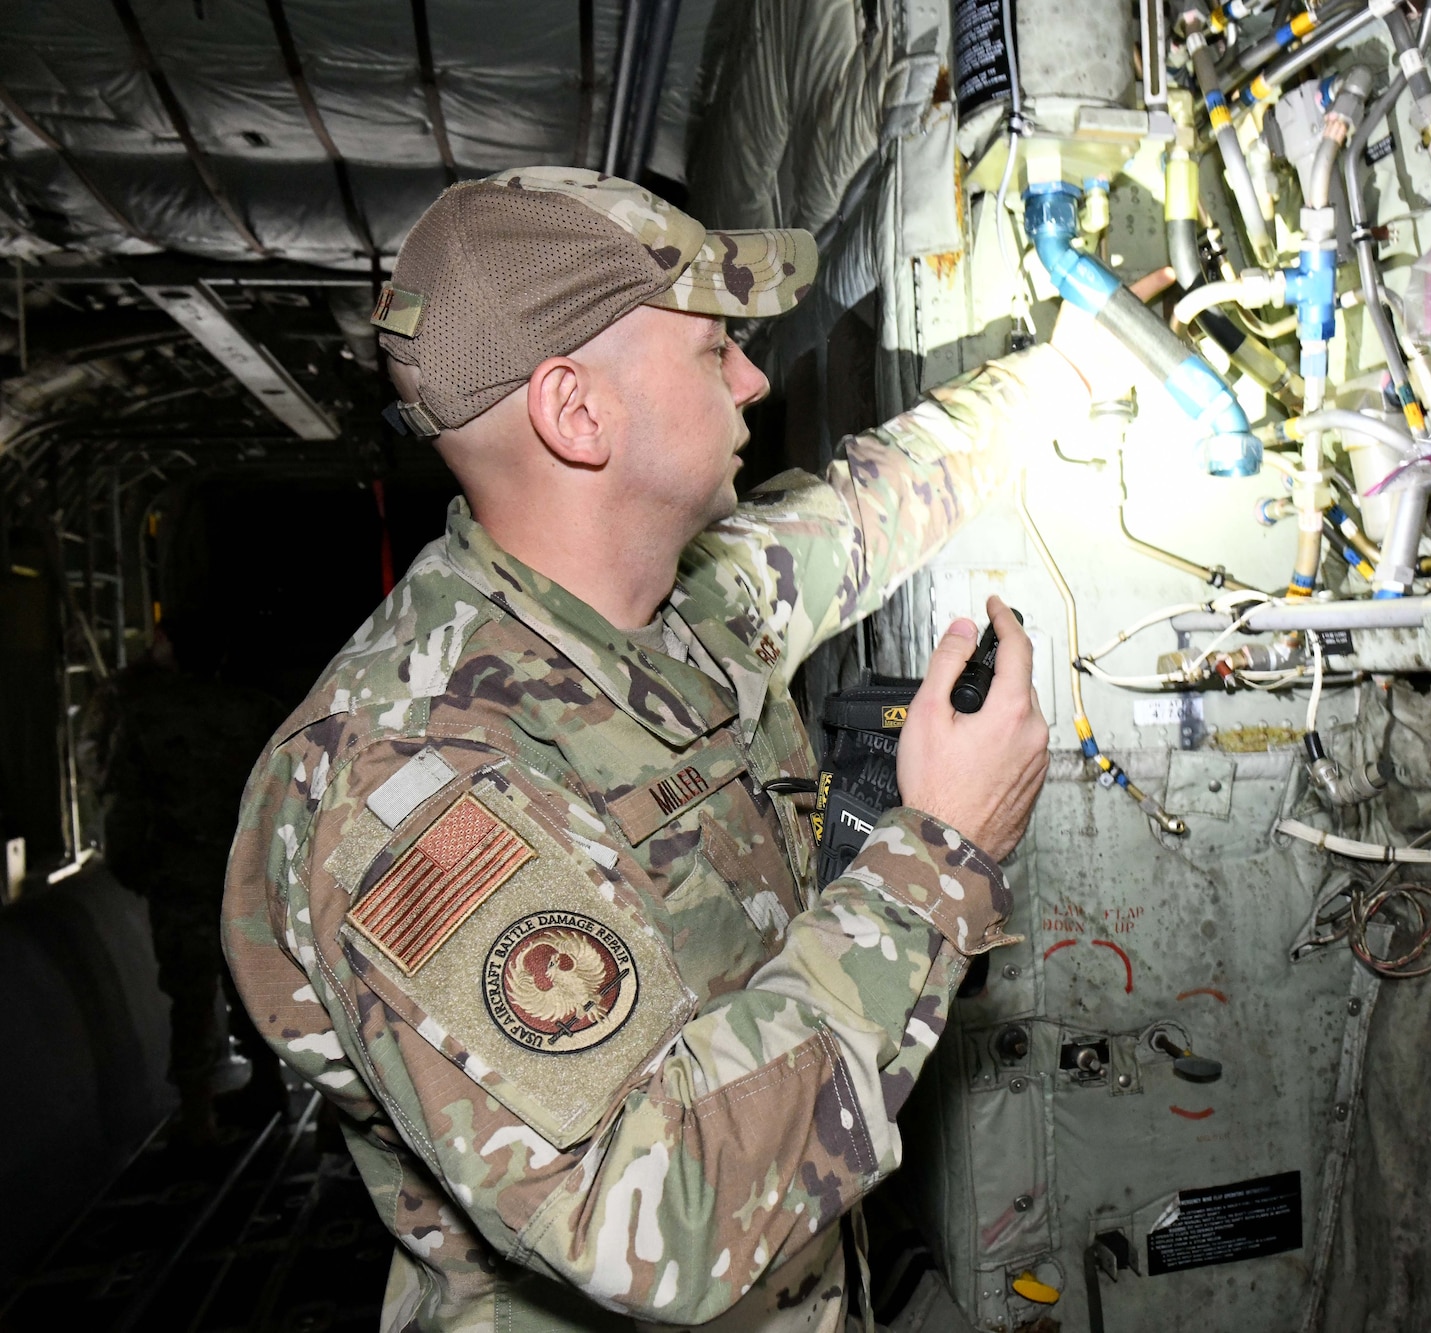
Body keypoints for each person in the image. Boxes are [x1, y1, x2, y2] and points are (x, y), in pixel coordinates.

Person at [222, 165, 1149, 1331]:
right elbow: (650, 1216)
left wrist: (1068, 373)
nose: (755, 377)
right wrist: (941, 850)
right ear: (577, 411)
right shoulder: (403, 782)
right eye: (714, 351)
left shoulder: (686, 610)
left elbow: (879, 503)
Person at [90, 610, 287, 1143]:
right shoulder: (255, 710)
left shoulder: (146, 716)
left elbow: (126, 804)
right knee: (253, 983)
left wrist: (134, 868)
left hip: (182, 879)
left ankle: (197, 1118)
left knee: (190, 993)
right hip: (246, 876)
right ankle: (271, 1086)